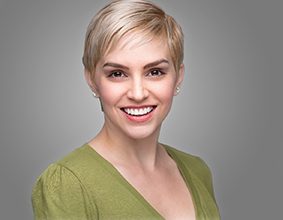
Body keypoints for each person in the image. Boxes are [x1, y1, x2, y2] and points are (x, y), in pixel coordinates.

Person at [31, 0, 220, 219]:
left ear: (178, 77)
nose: (138, 94)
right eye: (117, 74)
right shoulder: (68, 185)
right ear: (92, 80)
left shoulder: (197, 170)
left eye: (155, 72)